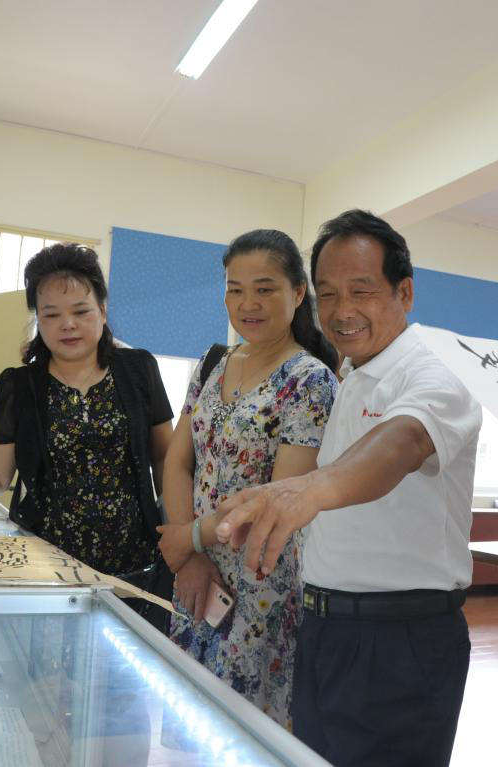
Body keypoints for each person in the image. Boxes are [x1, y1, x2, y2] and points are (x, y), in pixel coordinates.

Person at [214, 210, 482, 767]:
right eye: (329, 294)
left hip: (399, 637)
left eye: (362, 291)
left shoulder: (435, 372)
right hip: (325, 628)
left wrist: (309, 489)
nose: (341, 311)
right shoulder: (353, 372)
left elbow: (404, 441)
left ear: (405, 292)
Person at [0, 243, 175, 626]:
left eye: (81, 311)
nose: (67, 324)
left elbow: (165, 457)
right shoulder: (20, 386)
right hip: (46, 572)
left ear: (102, 311)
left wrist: (179, 529)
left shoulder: (139, 369)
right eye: (51, 314)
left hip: (136, 569)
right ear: (38, 321)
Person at [154, 229, 338, 727]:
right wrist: (189, 556)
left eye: (264, 289)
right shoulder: (213, 363)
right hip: (195, 580)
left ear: (297, 293)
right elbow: (178, 461)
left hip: (260, 586)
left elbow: (278, 501)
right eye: (235, 289)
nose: (247, 304)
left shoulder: (310, 381)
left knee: (244, 733)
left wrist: (189, 538)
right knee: (191, 727)